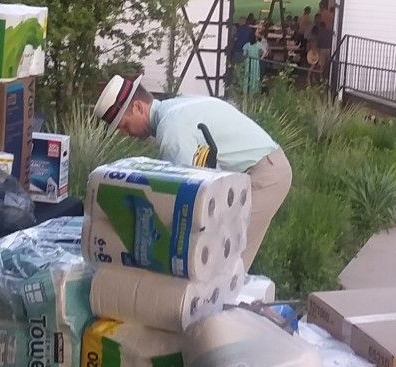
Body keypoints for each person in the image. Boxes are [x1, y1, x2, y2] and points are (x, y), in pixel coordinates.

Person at [93, 75, 292, 267]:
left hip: (263, 175)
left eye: (125, 126)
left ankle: (228, 300)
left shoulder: (171, 131)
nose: (128, 135)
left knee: (225, 261)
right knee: (220, 254)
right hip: (260, 166)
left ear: (138, 107)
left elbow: (188, 198)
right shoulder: (177, 105)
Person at [240, 24, 266, 95]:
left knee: (247, 75)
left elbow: (244, 54)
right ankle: (254, 90)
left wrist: (246, 57)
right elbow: (265, 51)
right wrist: (261, 58)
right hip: (256, 61)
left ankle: (246, 90)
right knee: (255, 76)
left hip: (248, 61)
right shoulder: (258, 44)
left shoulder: (247, 45)